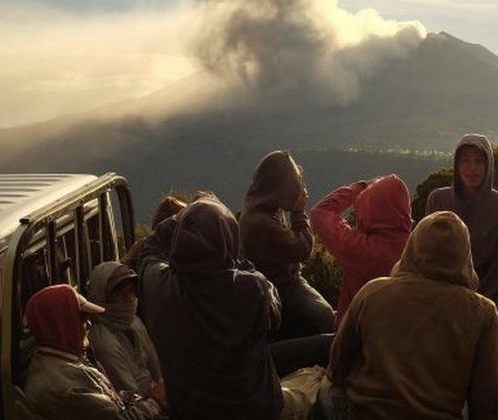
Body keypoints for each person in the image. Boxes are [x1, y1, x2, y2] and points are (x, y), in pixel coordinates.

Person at [319, 211, 498, 420]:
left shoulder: (373, 291)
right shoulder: (483, 313)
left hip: (365, 414)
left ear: (411, 247)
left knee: (327, 389)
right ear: (466, 257)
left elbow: (337, 367)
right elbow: (490, 404)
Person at [137, 195, 284, 419]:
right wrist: (235, 261)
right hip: (255, 412)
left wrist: (182, 219)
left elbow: (150, 249)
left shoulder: (160, 286)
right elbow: (274, 314)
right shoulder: (251, 288)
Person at [426, 134, 498, 365]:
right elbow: (425, 252)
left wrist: (471, 300)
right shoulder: (438, 200)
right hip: (442, 284)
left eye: (479, 161)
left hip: (493, 289)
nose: (472, 168)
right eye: (465, 161)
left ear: (489, 165)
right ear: (456, 165)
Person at [22, 284, 163, 420]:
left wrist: (138, 397)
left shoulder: (65, 358)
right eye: (82, 318)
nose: (88, 324)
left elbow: (106, 401)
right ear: (61, 324)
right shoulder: (68, 388)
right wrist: (155, 402)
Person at [240, 151, 335, 339]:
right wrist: (299, 212)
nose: (299, 187)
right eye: (295, 183)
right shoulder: (261, 222)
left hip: (282, 281)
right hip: (281, 286)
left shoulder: (261, 207)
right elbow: (303, 249)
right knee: (324, 316)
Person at [310, 175, 412, 326]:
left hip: (352, 342)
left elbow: (320, 213)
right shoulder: (418, 248)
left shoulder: (361, 249)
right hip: (397, 342)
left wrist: (360, 187)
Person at [88, 261, 165, 401]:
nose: (128, 299)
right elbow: (127, 389)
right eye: (118, 295)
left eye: (130, 291)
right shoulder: (102, 339)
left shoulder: (134, 322)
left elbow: (156, 366)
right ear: (103, 299)